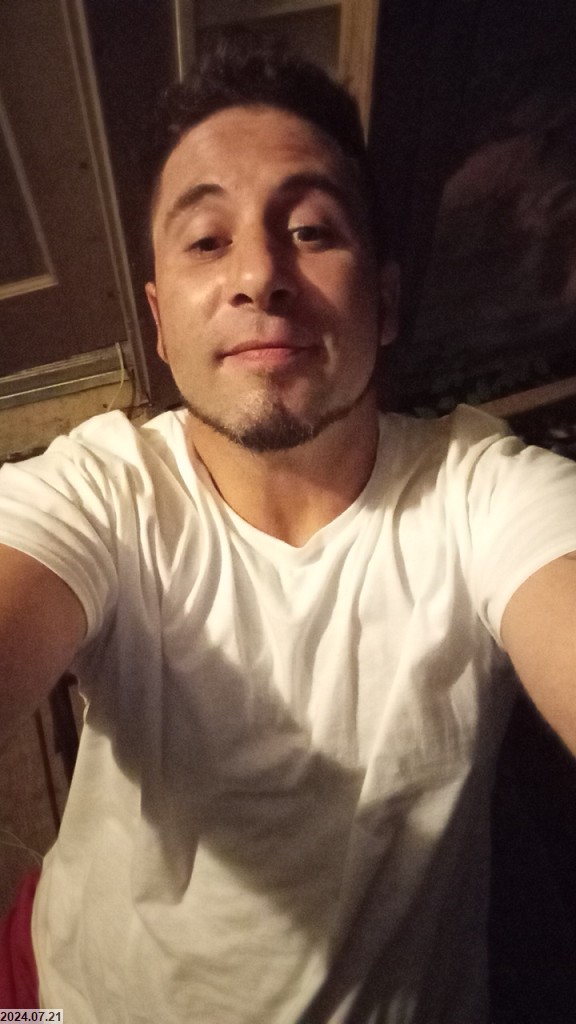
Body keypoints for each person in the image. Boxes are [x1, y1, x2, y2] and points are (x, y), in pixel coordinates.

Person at [1, 33, 576, 1024]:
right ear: (159, 324)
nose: (259, 275)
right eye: (206, 240)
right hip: (67, 1000)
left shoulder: (483, 493)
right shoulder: (103, 488)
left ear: (384, 302)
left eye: (310, 230)